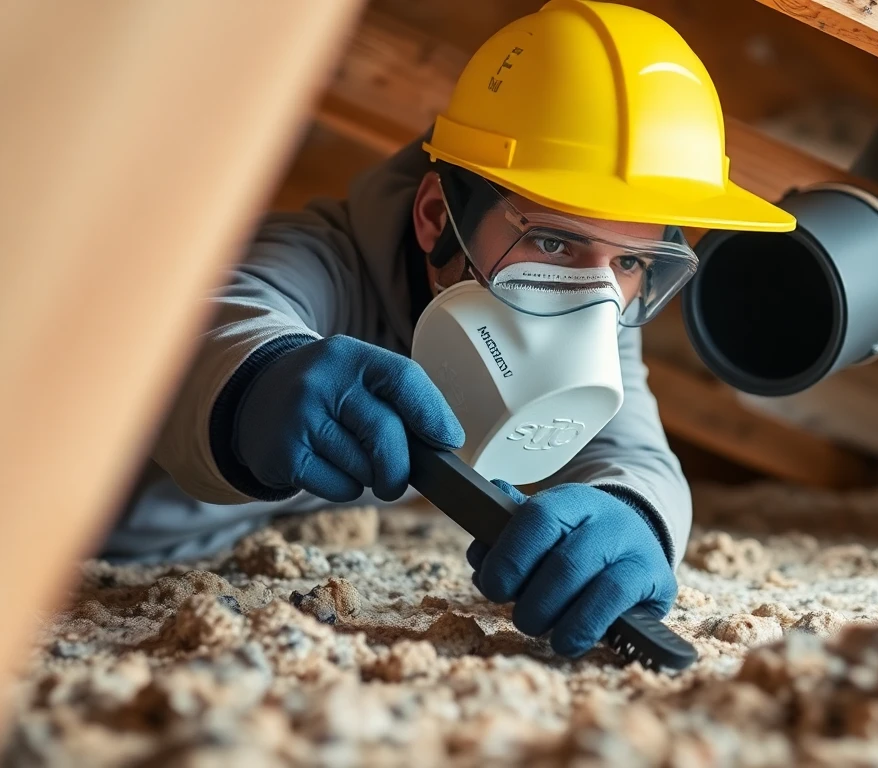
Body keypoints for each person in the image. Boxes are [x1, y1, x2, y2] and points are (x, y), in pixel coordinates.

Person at [99, 0, 794, 658]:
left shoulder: (599, 302)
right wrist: (260, 382)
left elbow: (636, 454)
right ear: (437, 217)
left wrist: (632, 514)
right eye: (553, 243)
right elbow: (210, 323)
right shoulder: (323, 260)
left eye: (635, 259)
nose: (594, 295)